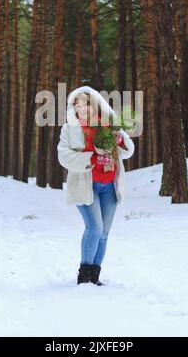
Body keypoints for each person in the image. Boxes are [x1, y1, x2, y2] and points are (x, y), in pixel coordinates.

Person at [57, 86, 135, 286]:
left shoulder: (109, 126)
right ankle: (84, 276)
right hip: (86, 185)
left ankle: (95, 276)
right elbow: (64, 156)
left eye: (86, 103)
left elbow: (126, 152)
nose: (82, 108)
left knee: (104, 232)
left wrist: (119, 139)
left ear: (95, 104)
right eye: (77, 104)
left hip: (109, 186)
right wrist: (91, 157)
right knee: (95, 227)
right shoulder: (70, 129)